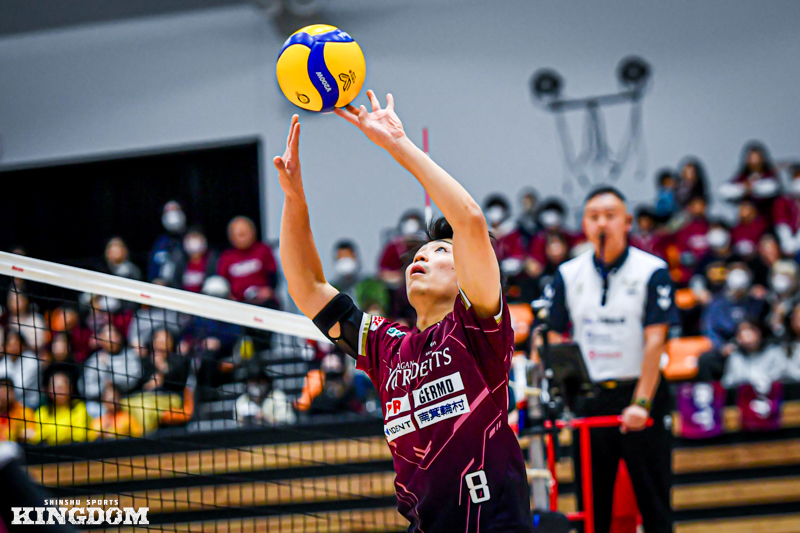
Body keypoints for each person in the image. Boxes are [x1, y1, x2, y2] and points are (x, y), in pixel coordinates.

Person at [275, 92, 532, 533]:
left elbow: (470, 220)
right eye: (420, 253)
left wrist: (397, 144)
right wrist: (294, 199)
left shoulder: (477, 327)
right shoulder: (386, 346)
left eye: (441, 251)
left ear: (471, 270)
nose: (423, 256)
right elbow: (309, 288)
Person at [545, 186, 678, 533]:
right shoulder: (568, 273)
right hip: (591, 399)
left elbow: (656, 340)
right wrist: (567, 395)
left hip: (641, 394)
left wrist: (642, 403)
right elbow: (553, 337)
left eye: (610, 215)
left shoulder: (652, 270)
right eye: (593, 217)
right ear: (584, 225)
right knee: (593, 511)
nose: (602, 223)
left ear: (627, 222)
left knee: (655, 505)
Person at [218, 216, 279, 308]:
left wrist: (268, 290)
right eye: (239, 234)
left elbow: (273, 276)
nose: (243, 238)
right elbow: (222, 283)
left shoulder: (263, 250)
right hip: (238, 304)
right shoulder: (226, 257)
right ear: (231, 237)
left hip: (263, 302)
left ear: (253, 232)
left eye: (245, 233)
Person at [31, 371, 93, 445]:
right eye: (54, 387)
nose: (57, 391)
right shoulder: (42, 412)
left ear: (70, 389)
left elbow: (80, 435)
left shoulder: (79, 407)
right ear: (48, 390)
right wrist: (66, 432)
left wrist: (49, 434)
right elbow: (36, 436)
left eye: (61, 387)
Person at [148, 200, 187, 282]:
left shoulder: (189, 239)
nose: (172, 214)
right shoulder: (160, 243)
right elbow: (153, 266)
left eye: (175, 210)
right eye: (168, 211)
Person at [174, 228, 219, 292]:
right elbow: (176, 282)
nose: (194, 243)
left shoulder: (211, 261)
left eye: (196, 238)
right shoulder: (180, 261)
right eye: (191, 238)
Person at [772, 164, 800, 257]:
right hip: (788, 246)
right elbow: (781, 222)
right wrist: (787, 241)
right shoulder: (783, 201)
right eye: (796, 176)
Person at [0, 378, 36, 442]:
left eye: (4, 392)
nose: (2, 397)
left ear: (12, 392)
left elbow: (31, 433)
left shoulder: (23, 412)